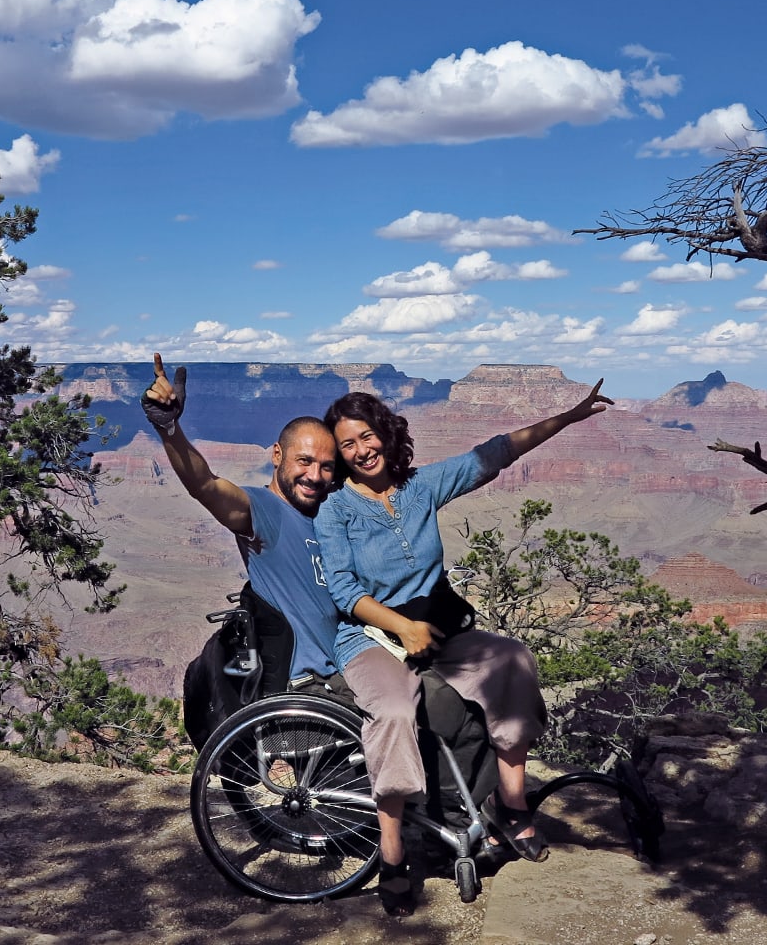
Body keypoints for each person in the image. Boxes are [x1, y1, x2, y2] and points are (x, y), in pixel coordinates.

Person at [314, 382, 612, 916]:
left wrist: (567, 416)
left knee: (513, 660)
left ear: (386, 431)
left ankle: (510, 805)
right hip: (371, 636)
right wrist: (400, 629)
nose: (361, 450)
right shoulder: (338, 513)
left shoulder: (421, 486)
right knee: (394, 711)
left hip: (439, 630)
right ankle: (392, 853)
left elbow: (496, 452)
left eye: (366, 436)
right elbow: (342, 590)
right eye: (348, 446)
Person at [141, 354, 342, 691]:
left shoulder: (330, 516)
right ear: (277, 455)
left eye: (326, 466)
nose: (314, 475)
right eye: (304, 461)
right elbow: (205, 485)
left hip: (350, 670)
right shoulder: (264, 510)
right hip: (309, 687)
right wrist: (169, 429)